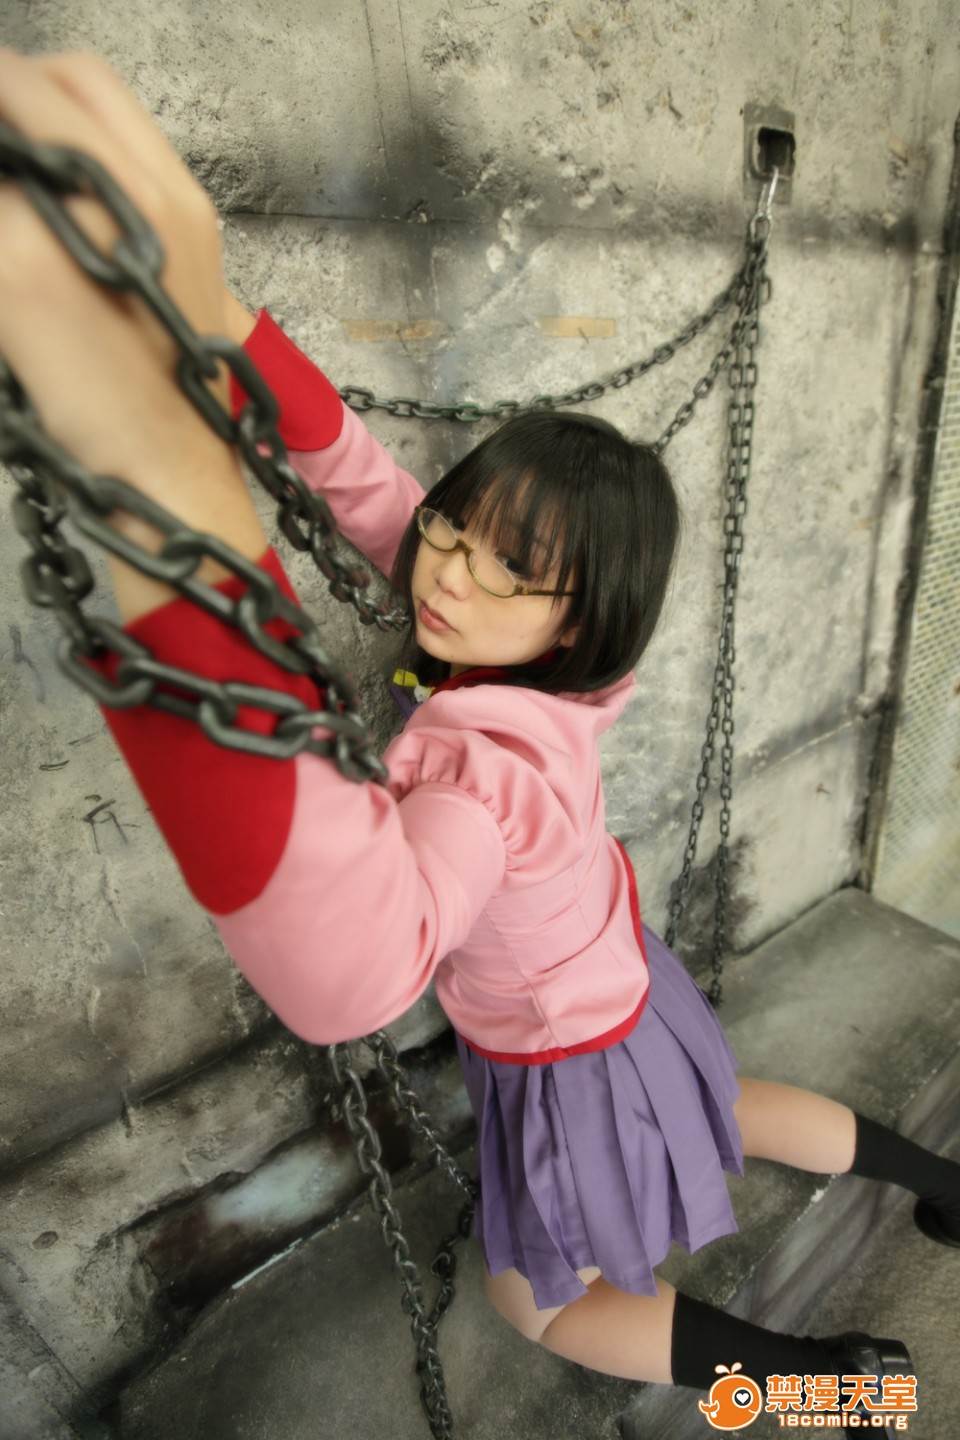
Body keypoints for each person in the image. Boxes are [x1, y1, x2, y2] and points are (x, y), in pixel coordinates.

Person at [2, 46, 956, 1423]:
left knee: (542, 1304)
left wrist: (151, 470)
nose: (450, 575)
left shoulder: (476, 766)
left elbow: (357, 968)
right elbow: (360, 482)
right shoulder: (571, 677)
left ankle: (835, 1392)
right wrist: (217, 320)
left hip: (565, 1058)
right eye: (457, 528)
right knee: (728, 1103)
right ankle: (950, 1186)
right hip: (630, 990)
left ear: (576, 614)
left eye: (512, 570)